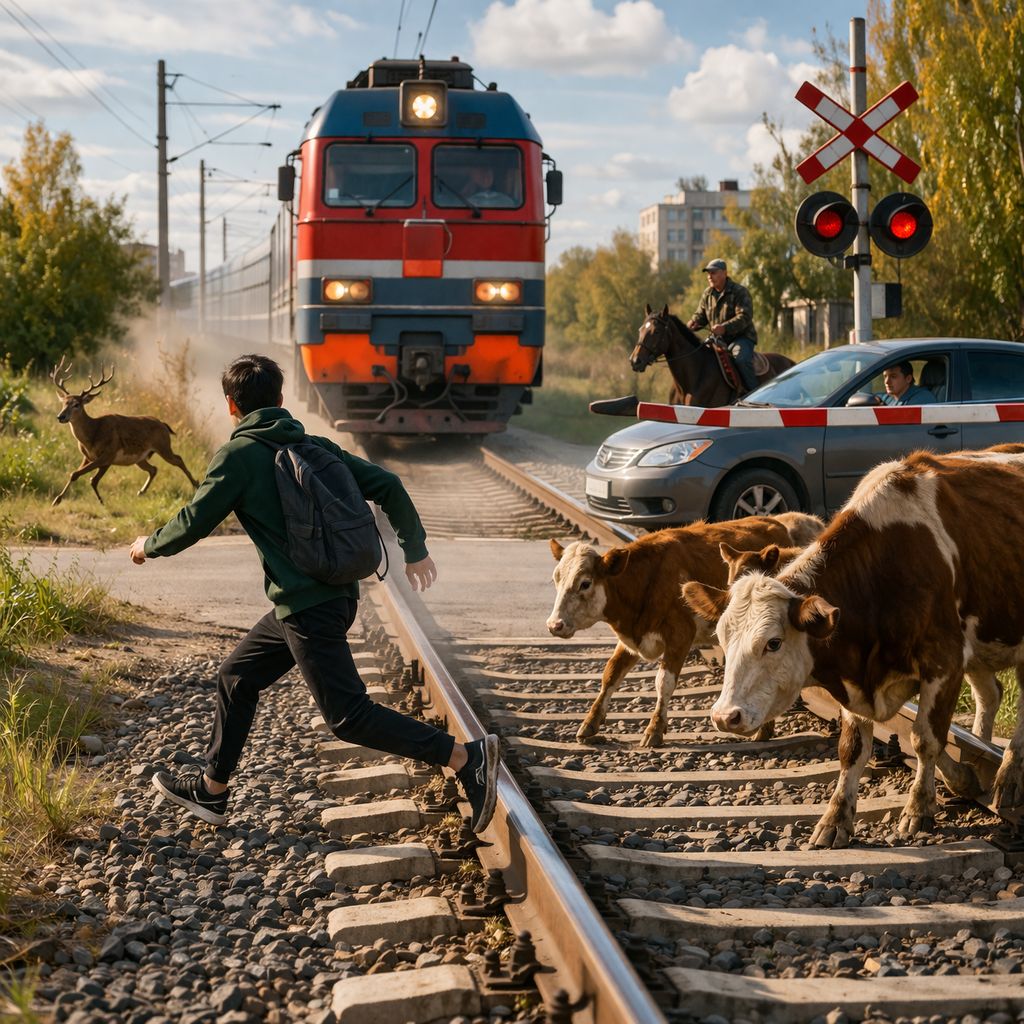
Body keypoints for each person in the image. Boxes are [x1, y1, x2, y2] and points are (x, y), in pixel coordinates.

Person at [129, 354, 499, 833]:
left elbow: (193, 522)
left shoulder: (238, 456)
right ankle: (212, 791)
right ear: (281, 400)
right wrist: (415, 550)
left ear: (230, 405)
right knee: (236, 676)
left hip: (308, 607)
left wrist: (147, 546)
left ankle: (464, 757)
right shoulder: (313, 444)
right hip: (327, 598)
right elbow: (387, 484)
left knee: (348, 717)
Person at [687, 258, 759, 392]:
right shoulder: (707, 294)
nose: (709, 276)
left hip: (741, 338)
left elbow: (745, 317)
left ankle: (754, 394)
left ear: (724, 273)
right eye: (708, 273)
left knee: (741, 359)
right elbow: (700, 317)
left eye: (713, 272)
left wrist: (724, 328)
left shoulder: (739, 291)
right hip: (718, 341)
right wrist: (692, 324)